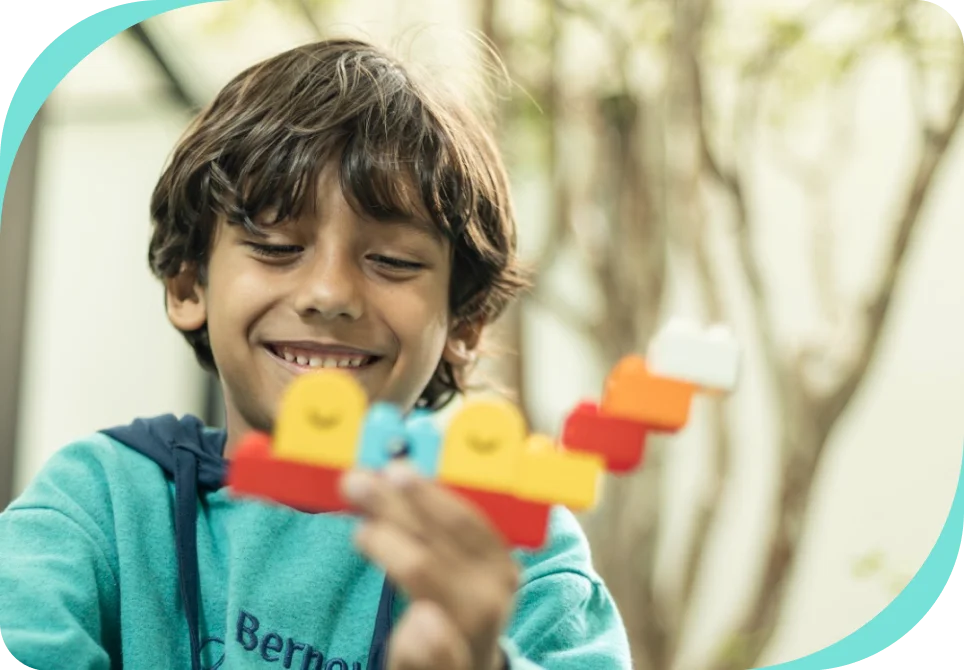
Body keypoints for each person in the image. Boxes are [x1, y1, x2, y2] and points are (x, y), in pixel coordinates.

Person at [0, 37, 632, 670]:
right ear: (189, 285)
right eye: (276, 247)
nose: (329, 294)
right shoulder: (99, 502)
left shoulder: (513, 544)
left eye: (392, 261)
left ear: (464, 324)